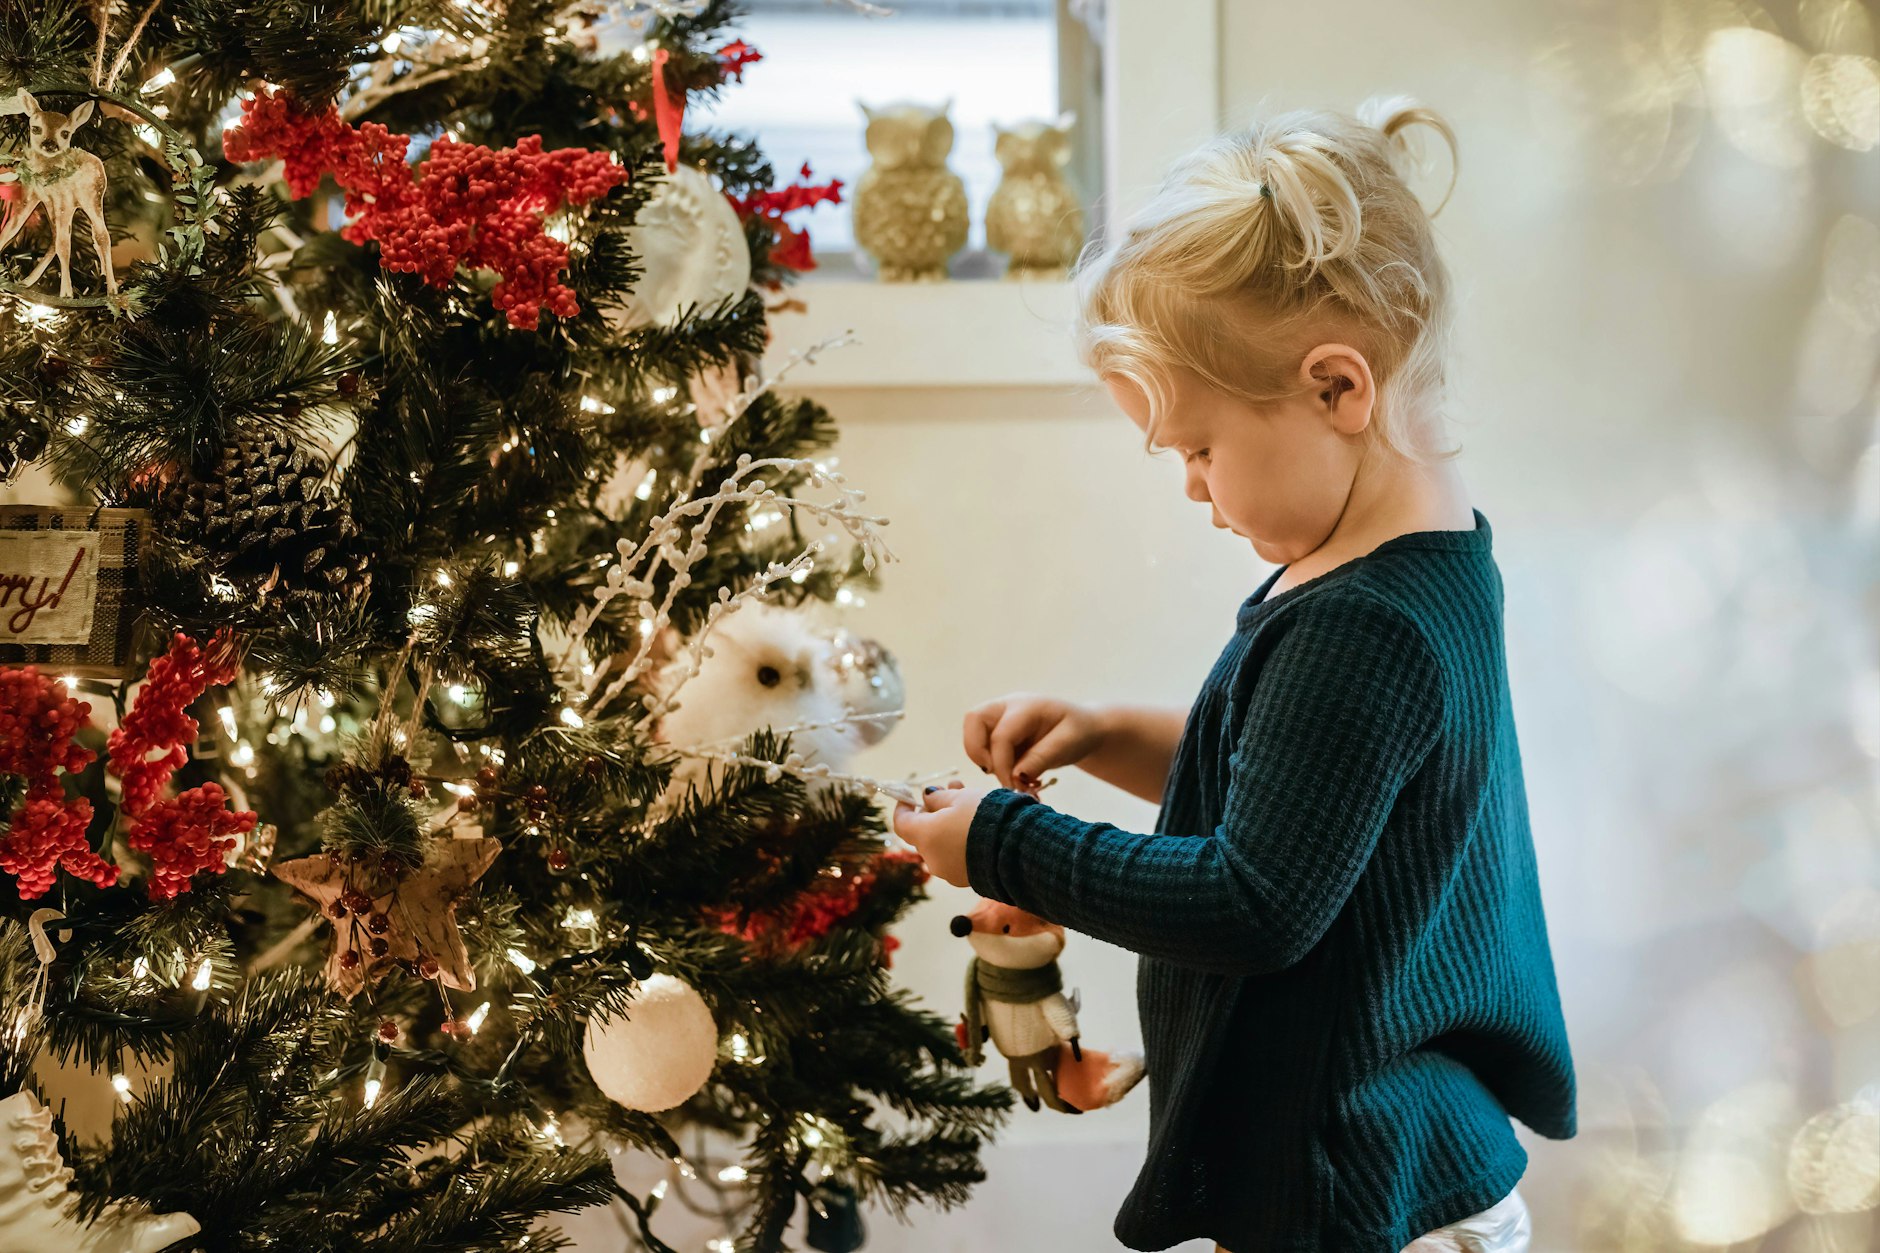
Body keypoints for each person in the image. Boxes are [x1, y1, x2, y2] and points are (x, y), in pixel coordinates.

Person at [892, 96, 1576, 1253]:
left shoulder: (1363, 624)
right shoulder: (1421, 570)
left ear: (1335, 389)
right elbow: (1313, 801)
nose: (1194, 488)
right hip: (1391, 1151)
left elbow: (1253, 901)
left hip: (1346, 1183)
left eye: (1200, 448)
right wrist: (1106, 730)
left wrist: (1008, 844)